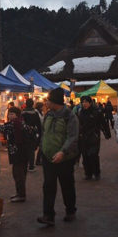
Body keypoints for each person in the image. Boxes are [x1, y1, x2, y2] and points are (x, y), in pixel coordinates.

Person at [37, 88, 79, 226]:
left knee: (67, 185)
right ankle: (48, 215)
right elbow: (44, 132)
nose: (46, 102)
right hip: (48, 158)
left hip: (65, 159)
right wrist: (43, 148)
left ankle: (70, 210)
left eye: (48, 100)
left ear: (55, 101)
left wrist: (63, 152)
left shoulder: (69, 116)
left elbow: (73, 136)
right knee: (48, 186)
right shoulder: (48, 115)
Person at [0, 106, 31, 202]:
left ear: (17, 115)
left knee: (18, 174)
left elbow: (1, 128)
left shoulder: (15, 124)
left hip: (18, 152)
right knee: (22, 173)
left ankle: (21, 195)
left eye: (12, 114)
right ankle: (20, 193)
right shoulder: (22, 122)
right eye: (9, 114)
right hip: (24, 151)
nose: (9, 116)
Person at [77, 95, 111, 180]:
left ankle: (96, 172)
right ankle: (88, 173)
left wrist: (107, 133)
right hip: (83, 137)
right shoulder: (80, 112)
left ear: (90, 103)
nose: (84, 104)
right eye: (83, 102)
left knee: (93, 155)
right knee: (85, 156)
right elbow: (78, 124)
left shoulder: (96, 111)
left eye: (86, 102)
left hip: (94, 136)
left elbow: (102, 123)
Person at [22, 98, 42, 172]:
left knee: (24, 149)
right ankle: (31, 166)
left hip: (24, 132)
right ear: (33, 103)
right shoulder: (35, 113)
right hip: (32, 132)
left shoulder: (22, 112)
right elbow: (39, 125)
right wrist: (40, 133)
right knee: (31, 149)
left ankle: (24, 165)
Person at [34, 101, 45, 166]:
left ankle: (38, 159)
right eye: (42, 106)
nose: (43, 107)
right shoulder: (36, 113)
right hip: (38, 131)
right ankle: (37, 160)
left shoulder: (41, 112)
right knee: (39, 145)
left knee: (40, 145)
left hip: (41, 130)